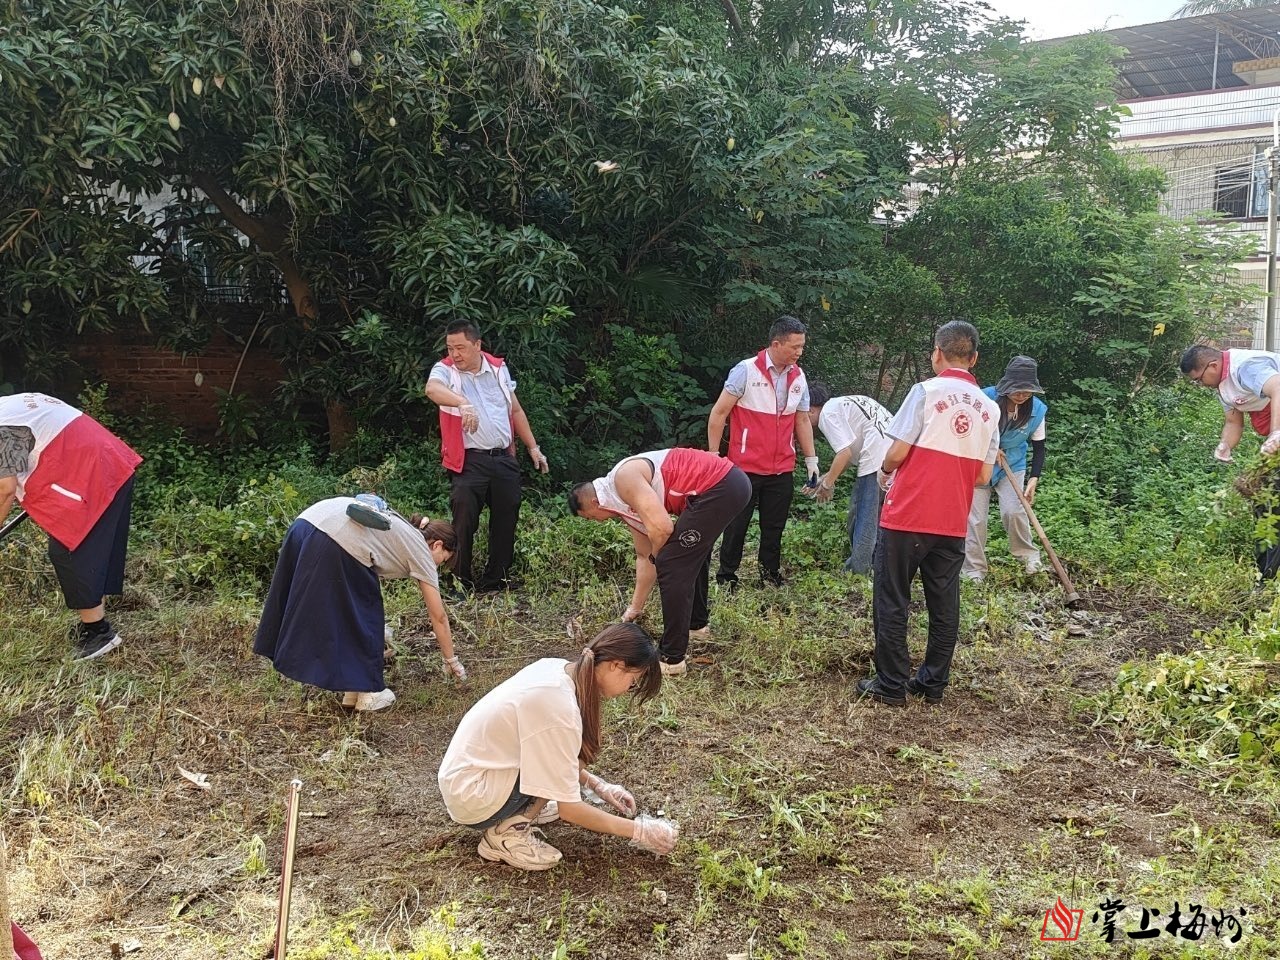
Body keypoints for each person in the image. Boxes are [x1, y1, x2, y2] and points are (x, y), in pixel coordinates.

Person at [437, 623, 680, 871]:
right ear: (616, 665)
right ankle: (508, 832)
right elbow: (570, 810)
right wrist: (639, 831)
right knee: (564, 769)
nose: (629, 689)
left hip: (467, 779)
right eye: (633, 681)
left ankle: (522, 808)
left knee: (564, 764)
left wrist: (597, 785)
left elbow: (557, 755)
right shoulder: (560, 710)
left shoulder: (556, 669)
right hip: (474, 796)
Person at [858, 321, 999, 707]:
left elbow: (897, 452)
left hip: (908, 514)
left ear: (936, 353)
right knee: (944, 603)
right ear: (974, 359)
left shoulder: (925, 391)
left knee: (892, 597)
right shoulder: (990, 409)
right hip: (952, 520)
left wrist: (884, 472)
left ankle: (891, 684)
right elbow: (983, 477)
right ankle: (932, 683)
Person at [254, 497, 466, 711]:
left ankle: (353, 688)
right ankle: (369, 693)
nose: (437, 566)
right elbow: (438, 616)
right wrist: (451, 661)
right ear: (437, 545)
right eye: (443, 559)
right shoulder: (421, 549)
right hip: (333, 537)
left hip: (305, 525)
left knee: (350, 611)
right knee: (366, 612)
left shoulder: (403, 532)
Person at [567, 448, 752, 676]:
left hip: (722, 484)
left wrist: (661, 557)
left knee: (673, 563)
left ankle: (672, 658)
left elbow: (663, 529)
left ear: (595, 502)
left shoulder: (623, 478)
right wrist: (635, 608)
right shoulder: (623, 504)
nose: (597, 522)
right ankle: (696, 626)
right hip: (724, 486)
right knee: (687, 553)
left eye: (591, 517)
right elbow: (645, 557)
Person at [0, 392, 141, 661]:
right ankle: (92, 622)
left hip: (93, 470)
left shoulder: (3, 427)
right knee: (88, 549)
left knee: (69, 550)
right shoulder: (8, 409)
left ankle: (99, 633)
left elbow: (5, 488)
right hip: (103, 461)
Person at [424, 321, 549, 594]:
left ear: (477, 344)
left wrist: (533, 447)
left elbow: (515, 410)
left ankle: (496, 581)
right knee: (463, 521)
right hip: (469, 461)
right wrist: (462, 402)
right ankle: (460, 582)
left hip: (503, 458)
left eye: (460, 347)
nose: (455, 354)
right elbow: (432, 389)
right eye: (450, 348)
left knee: (506, 520)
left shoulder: (498, 368)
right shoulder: (445, 369)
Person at [707, 315, 819, 588]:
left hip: (781, 467)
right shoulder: (746, 370)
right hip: (744, 466)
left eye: (802, 346)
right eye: (795, 346)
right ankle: (726, 577)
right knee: (737, 524)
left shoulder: (798, 375)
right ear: (776, 344)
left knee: (774, 526)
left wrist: (811, 460)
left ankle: (769, 575)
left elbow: (802, 420)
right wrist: (713, 456)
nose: (799, 352)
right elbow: (719, 413)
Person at [1181, 343, 1280, 579]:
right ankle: (1264, 575)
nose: (1200, 385)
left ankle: (1267, 580)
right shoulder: (1223, 385)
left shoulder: (1245, 367)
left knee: (1272, 499)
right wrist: (1225, 445)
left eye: (1198, 379)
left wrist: (1276, 433)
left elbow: (1278, 388)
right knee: (1262, 499)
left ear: (1213, 366)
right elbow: (1233, 422)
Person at [962, 356, 1048, 580]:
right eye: (1017, 390)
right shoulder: (983, 398)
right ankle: (973, 570)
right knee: (976, 518)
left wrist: (1034, 478)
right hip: (978, 463)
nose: (1022, 395)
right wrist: (989, 449)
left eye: (1027, 391)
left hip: (1013, 463)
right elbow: (968, 431)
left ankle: (1028, 557)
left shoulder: (1037, 410)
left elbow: (1039, 447)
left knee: (1014, 510)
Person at [802, 384, 892, 575]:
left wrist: (827, 485)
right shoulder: (841, 404)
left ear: (810, 409)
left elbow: (844, 453)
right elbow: (849, 455)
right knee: (879, 517)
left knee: (863, 517)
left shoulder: (827, 415)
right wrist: (826, 478)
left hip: (876, 460)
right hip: (893, 457)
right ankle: (878, 566)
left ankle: (858, 571)